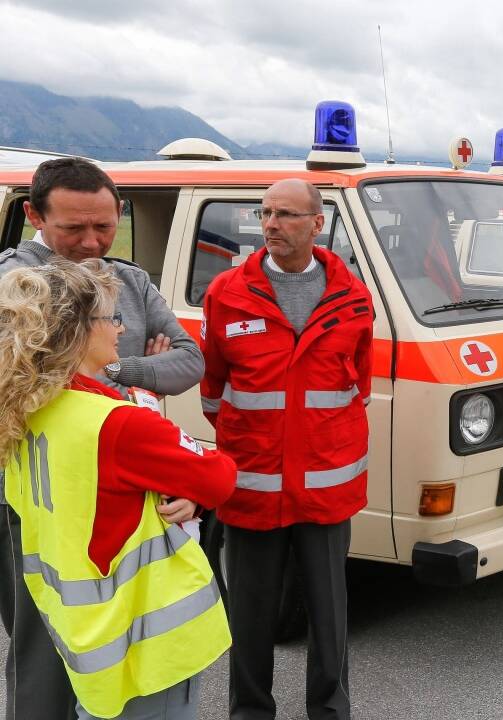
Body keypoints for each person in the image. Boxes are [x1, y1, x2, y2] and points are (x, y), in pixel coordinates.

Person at [0, 157, 205, 720]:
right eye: (73, 228)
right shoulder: (14, 285)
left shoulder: (131, 281)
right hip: (36, 499)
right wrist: (129, 371)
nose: (92, 242)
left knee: (121, 640)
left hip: (122, 491)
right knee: (46, 644)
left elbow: (191, 361)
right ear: (33, 216)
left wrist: (116, 370)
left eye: (105, 226)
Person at [201, 179, 374, 718]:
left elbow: (357, 388)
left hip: (326, 488)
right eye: (266, 213)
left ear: (317, 224)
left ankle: (330, 711)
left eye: (286, 215)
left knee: (329, 615)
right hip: (253, 488)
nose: (271, 224)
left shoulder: (352, 297)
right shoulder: (226, 293)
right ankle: (250, 711)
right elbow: (213, 391)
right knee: (251, 618)